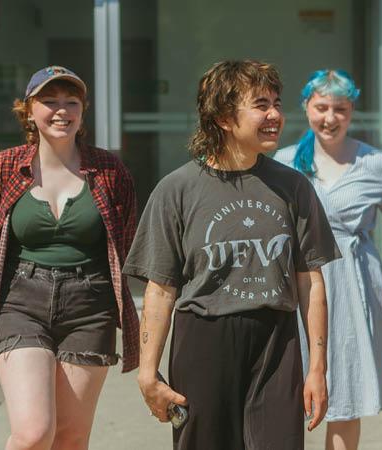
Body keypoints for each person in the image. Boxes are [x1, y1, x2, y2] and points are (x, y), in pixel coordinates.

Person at [124, 60, 341, 450]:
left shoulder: (293, 187)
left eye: (276, 102)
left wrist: (317, 368)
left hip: (277, 341)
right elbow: (160, 289)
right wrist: (147, 373)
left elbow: (311, 282)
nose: (275, 114)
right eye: (260, 104)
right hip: (204, 339)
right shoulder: (177, 190)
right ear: (224, 118)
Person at [0, 65, 139, 450]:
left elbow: (125, 242)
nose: (61, 111)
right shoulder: (2, 169)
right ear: (29, 110)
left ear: (83, 110)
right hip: (20, 302)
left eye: (71, 102)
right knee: (32, 435)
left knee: (70, 438)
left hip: (89, 306)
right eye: (49, 101)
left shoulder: (110, 171)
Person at [275, 69, 382, 450]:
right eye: (321, 107)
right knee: (292, 386)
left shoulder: (376, 163)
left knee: (345, 392)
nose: (330, 118)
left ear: (352, 112)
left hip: (355, 285)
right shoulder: (285, 163)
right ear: (306, 108)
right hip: (300, 283)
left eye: (340, 109)